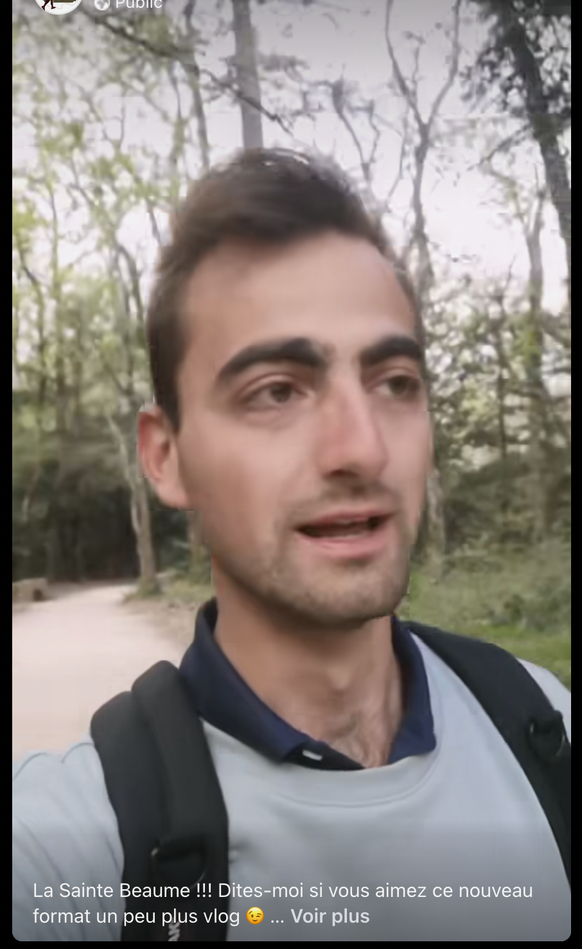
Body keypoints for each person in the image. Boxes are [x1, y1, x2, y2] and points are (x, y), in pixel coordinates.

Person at [13, 149, 570, 941]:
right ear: (165, 456)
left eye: (394, 382)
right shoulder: (72, 839)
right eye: (276, 391)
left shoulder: (542, 723)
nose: (362, 448)